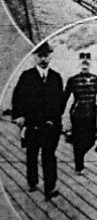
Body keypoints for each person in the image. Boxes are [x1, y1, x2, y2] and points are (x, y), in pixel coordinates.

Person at [11, 42, 64, 200]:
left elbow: (60, 102)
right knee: (32, 153)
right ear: (34, 57)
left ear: (50, 56)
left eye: (46, 56)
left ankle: (50, 187)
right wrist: (18, 116)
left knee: (49, 155)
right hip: (31, 124)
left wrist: (54, 120)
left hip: (50, 125)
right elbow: (17, 98)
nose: (43, 59)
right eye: (40, 56)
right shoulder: (27, 76)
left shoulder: (56, 77)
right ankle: (32, 181)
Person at [63, 52, 97, 175]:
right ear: (79, 65)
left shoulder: (96, 79)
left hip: (92, 114)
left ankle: (80, 154)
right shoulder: (73, 80)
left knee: (91, 139)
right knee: (78, 140)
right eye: (82, 63)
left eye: (87, 63)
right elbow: (64, 98)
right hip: (77, 114)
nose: (85, 65)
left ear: (91, 64)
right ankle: (79, 166)